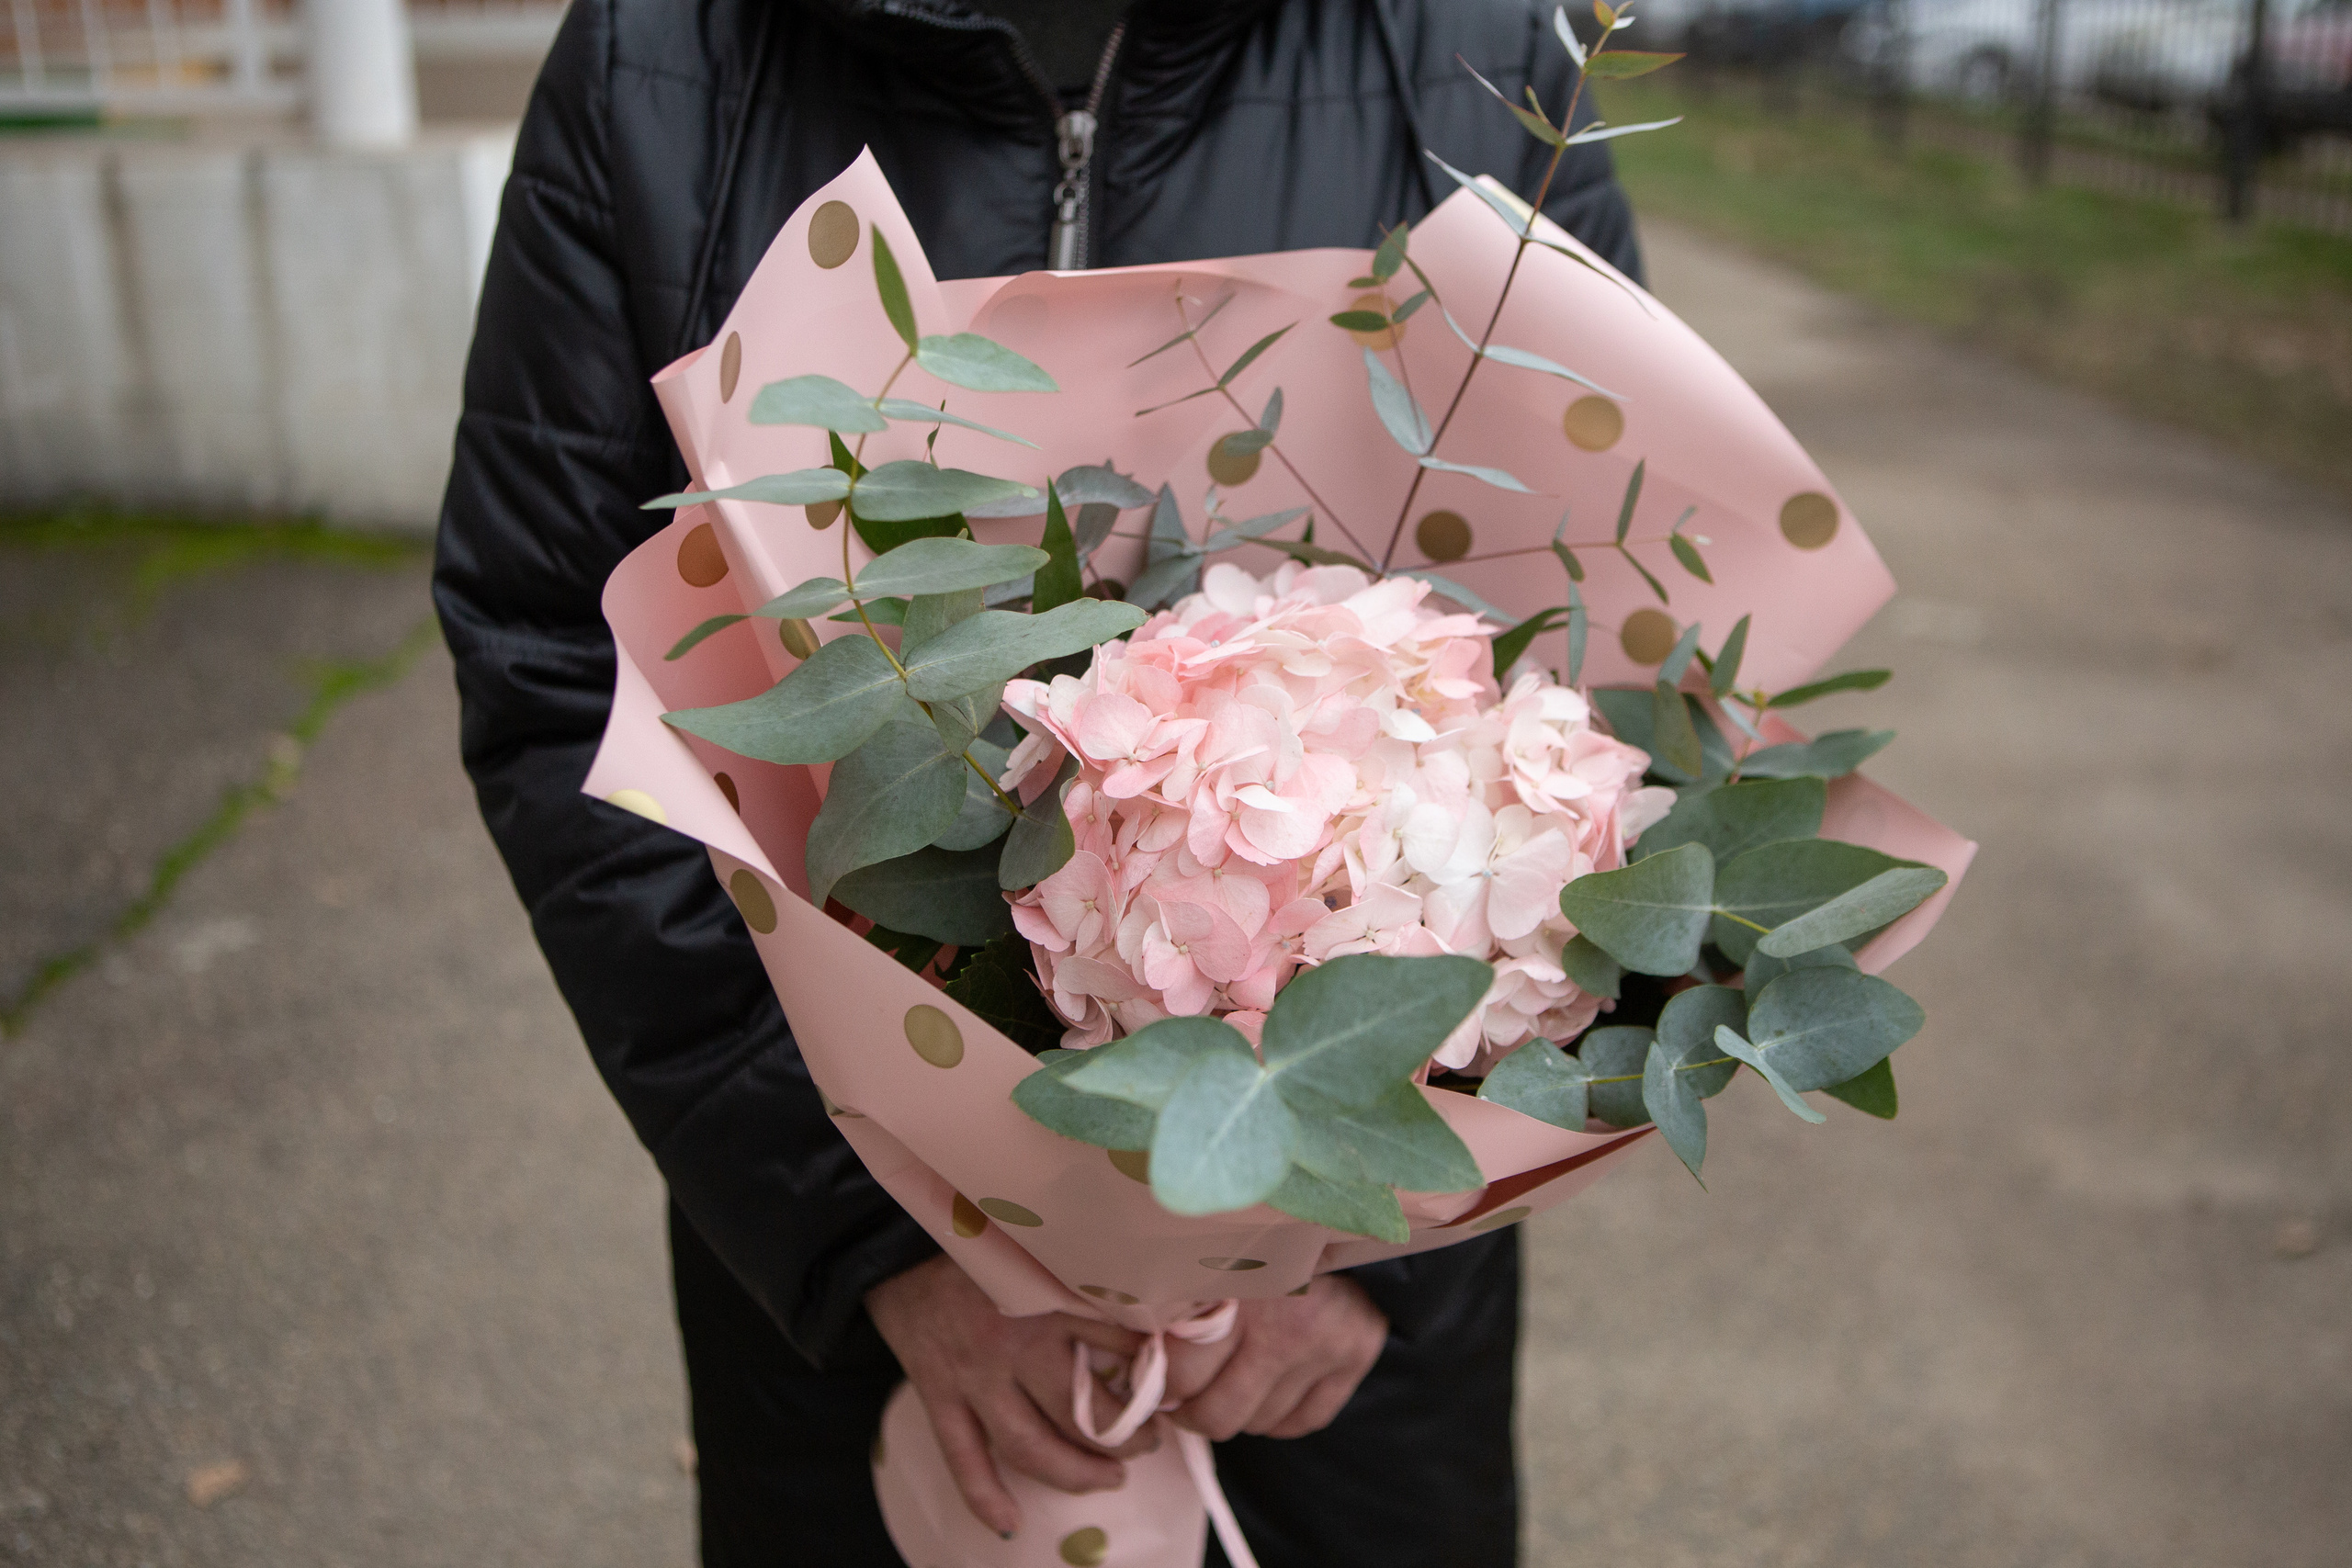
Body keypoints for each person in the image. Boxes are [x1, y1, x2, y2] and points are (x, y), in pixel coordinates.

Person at [433, 3, 1643, 1563]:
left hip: (1348, 1329)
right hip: (861, 1253)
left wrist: (1362, 1254)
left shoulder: (1479, 45)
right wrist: (864, 1233)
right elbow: (555, 653)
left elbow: (1597, 663)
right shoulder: (664, 57)